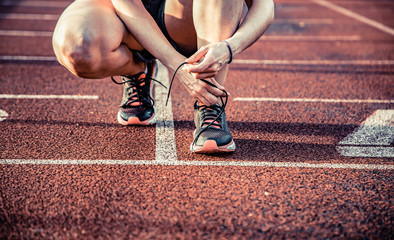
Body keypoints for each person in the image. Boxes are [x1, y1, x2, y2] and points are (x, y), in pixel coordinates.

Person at [52, 0, 274, 154]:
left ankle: (208, 101)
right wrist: (177, 65)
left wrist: (229, 47)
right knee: (77, 47)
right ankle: (136, 70)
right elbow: (127, 3)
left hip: (183, 17)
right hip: (124, 15)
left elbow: (264, 5)